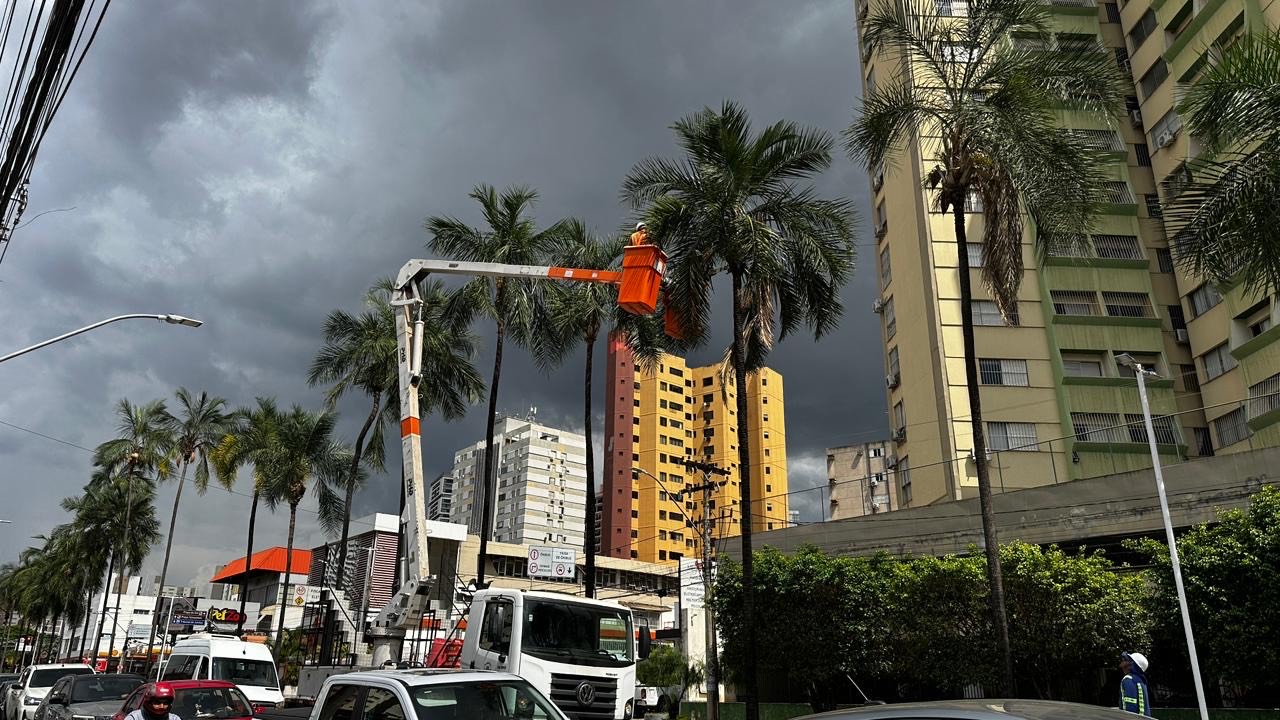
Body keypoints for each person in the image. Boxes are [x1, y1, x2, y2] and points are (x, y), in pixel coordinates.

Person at [1119, 651, 1152, 716]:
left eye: (1125, 660)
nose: (1121, 664)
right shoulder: (1142, 681)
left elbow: (1130, 707)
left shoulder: (1128, 679)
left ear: (1131, 664)